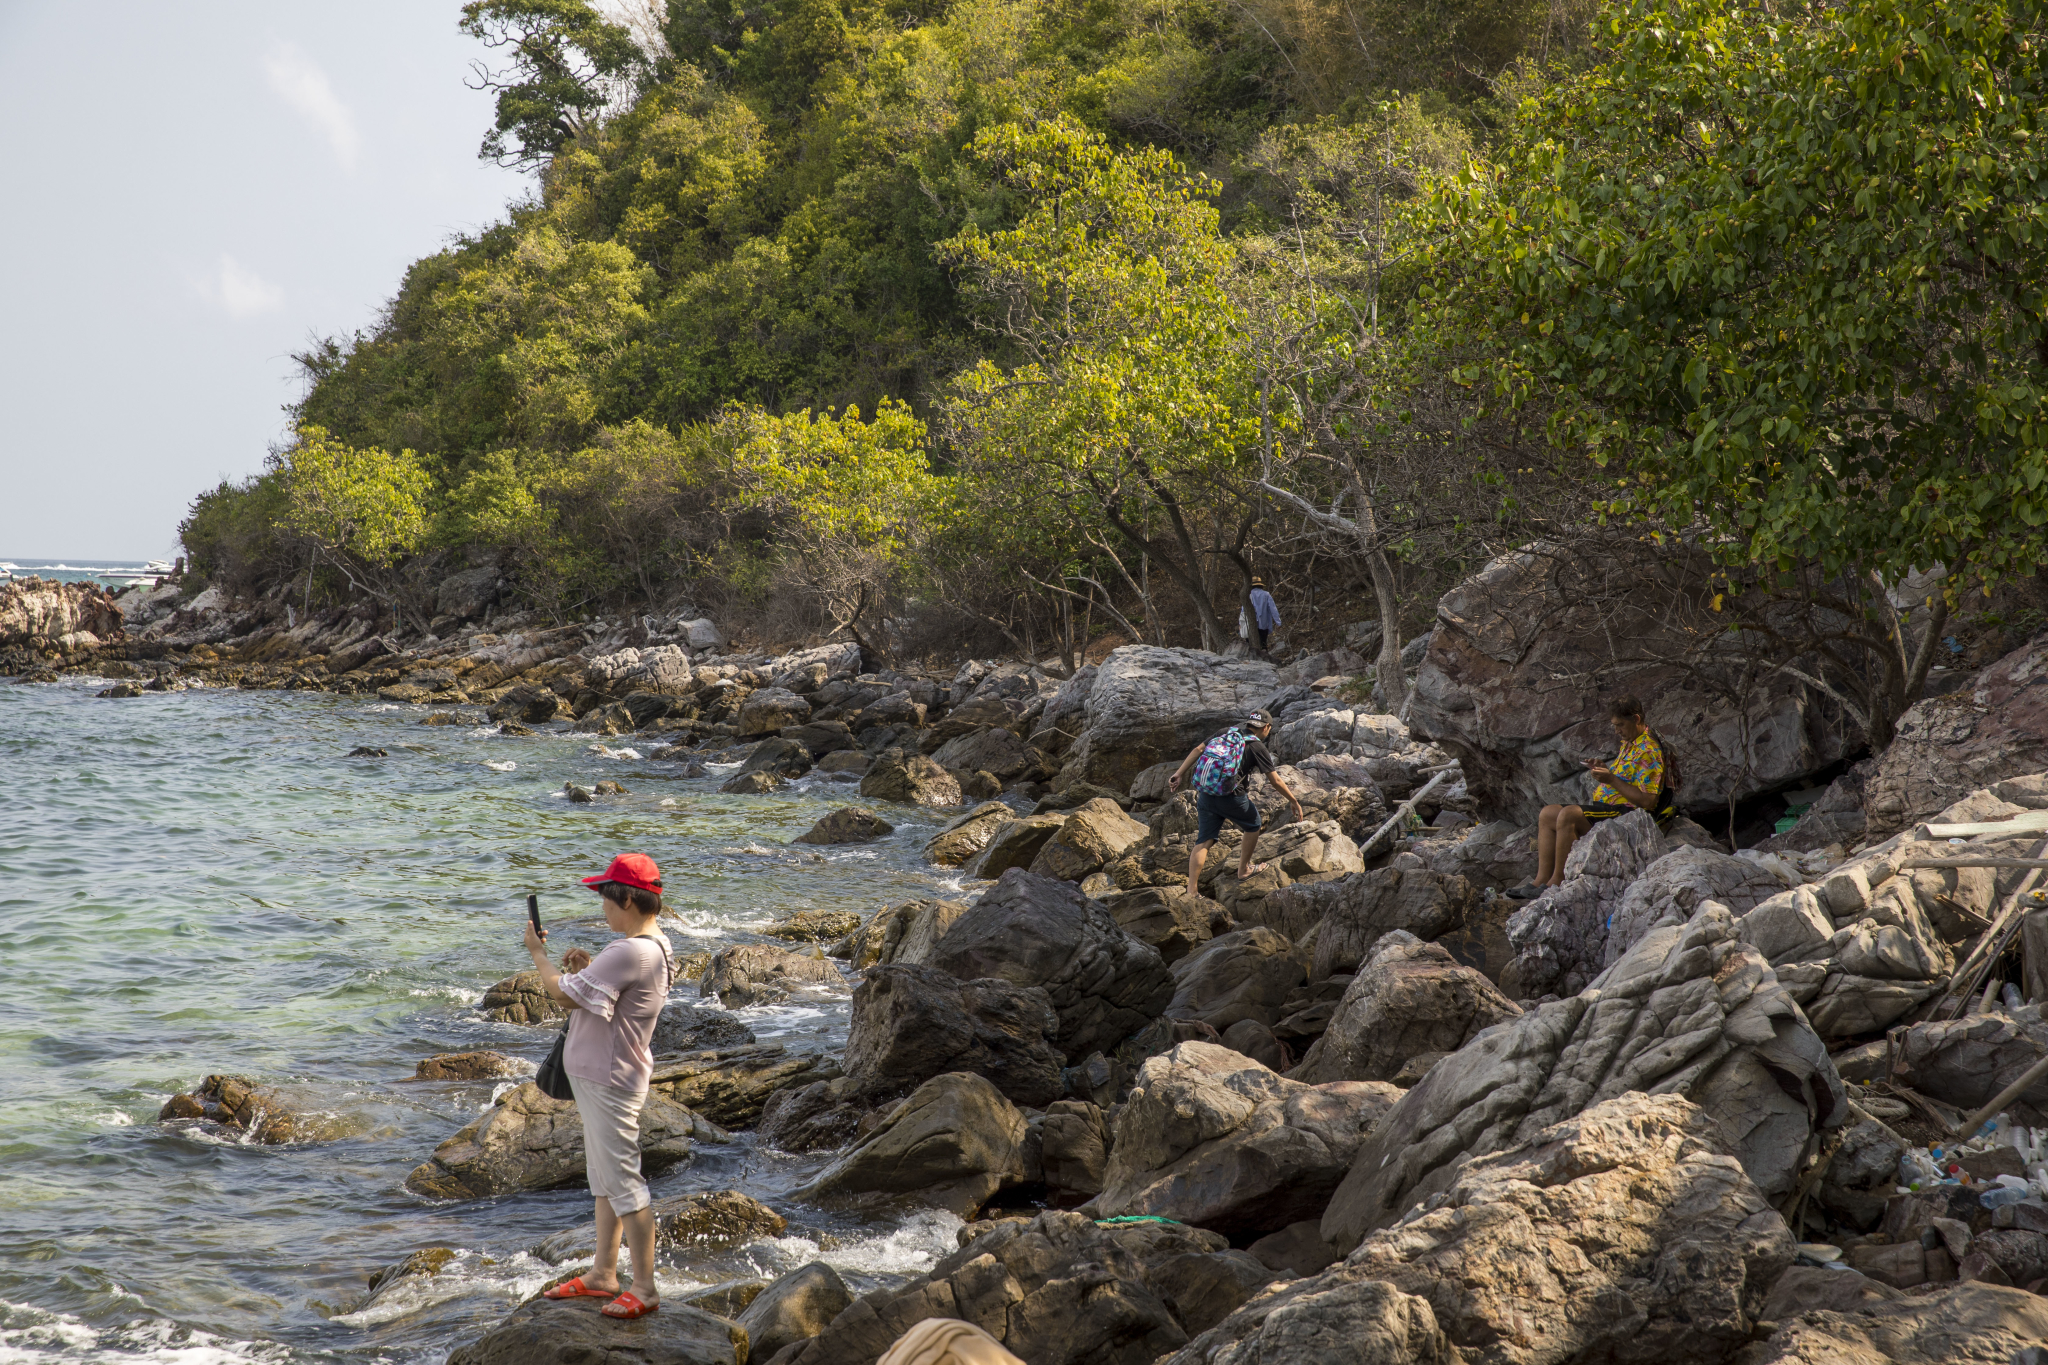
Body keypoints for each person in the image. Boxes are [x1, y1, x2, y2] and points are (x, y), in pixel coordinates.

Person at [524, 852, 675, 1320]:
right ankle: (604, 1273)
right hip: (611, 1075)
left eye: (605, 899)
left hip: (609, 1080)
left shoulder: (629, 951)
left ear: (627, 898)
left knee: (624, 1183)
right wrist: (590, 969)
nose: (601, 909)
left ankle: (645, 1287)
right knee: (605, 1180)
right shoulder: (654, 945)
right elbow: (608, 996)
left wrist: (539, 954)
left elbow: (560, 993)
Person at [1507, 697, 1676, 899]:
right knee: (1548, 813)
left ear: (1636, 718)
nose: (1617, 731)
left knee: (1569, 814)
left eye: (1620, 725)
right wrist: (1604, 769)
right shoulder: (1630, 743)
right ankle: (1540, 880)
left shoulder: (1648, 750)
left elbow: (1648, 801)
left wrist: (1611, 779)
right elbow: (1626, 778)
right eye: (1614, 726)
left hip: (1628, 815)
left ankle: (1557, 881)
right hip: (1609, 808)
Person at [1167, 710, 1304, 898]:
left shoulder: (1226, 732)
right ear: (1266, 727)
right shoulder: (1257, 747)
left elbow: (1198, 750)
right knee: (1254, 824)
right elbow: (1275, 781)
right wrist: (1293, 800)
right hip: (1232, 797)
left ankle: (1192, 890)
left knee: (1204, 840)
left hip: (1206, 794)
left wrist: (1179, 773)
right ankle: (1244, 869)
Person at [1247, 577, 1281, 655]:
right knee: (1263, 644)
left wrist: (1240, 623)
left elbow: (1243, 610)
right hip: (1263, 623)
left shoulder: (1249, 595)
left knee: (1250, 645)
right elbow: (1273, 609)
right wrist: (1278, 622)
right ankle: (1264, 659)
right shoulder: (1266, 594)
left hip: (1250, 624)